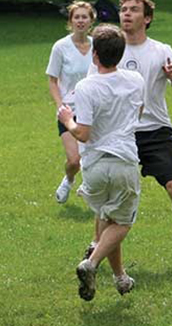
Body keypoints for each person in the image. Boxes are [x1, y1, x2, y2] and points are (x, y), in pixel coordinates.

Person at [85, 0, 172, 268]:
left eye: (134, 9)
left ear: (147, 18)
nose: (126, 13)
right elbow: (92, 91)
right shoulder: (110, 48)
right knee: (110, 195)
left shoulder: (162, 51)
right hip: (120, 133)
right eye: (123, 8)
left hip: (156, 130)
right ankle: (95, 247)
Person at [58, 25, 145, 301]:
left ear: (94, 56)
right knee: (122, 223)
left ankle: (121, 278)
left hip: (94, 166)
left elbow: (82, 133)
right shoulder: (135, 80)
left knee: (108, 220)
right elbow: (138, 111)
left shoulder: (86, 87)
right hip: (123, 162)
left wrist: (66, 120)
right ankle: (92, 263)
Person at [46, 1, 96, 203]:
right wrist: (60, 105)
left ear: (91, 20)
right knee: (74, 159)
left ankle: (91, 190)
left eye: (85, 17)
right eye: (77, 17)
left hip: (92, 109)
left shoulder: (97, 45)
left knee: (92, 157)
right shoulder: (61, 47)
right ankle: (69, 179)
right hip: (69, 110)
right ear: (71, 21)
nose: (81, 21)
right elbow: (52, 79)